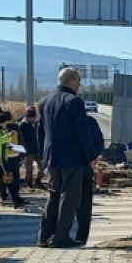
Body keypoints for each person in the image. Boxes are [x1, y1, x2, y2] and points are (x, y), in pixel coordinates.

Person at [37, 67, 99, 249]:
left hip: (52, 157)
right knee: (70, 197)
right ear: (71, 80)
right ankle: (61, 236)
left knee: (54, 194)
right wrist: (91, 155)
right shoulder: (74, 102)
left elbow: (40, 132)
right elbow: (82, 132)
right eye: (79, 81)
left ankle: (44, 235)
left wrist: (42, 156)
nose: (80, 85)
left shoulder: (44, 101)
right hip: (72, 157)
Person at [74, 115, 105, 245]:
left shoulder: (86, 122)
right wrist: (92, 156)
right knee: (83, 204)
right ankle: (80, 237)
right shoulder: (89, 121)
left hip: (72, 166)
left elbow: (99, 142)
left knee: (80, 203)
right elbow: (99, 143)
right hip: (83, 165)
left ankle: (75, 235)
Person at [0, 111, 25, 208]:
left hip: (4, 157)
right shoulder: (12, 128)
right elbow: (20, 140)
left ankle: (6, 196)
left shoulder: (0, 128)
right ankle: (14, 198)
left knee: (5, 178)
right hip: (10, 156)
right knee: (11, 178)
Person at [18, 108, 44, 189]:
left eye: (34, 117)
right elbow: (21, 138)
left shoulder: (37, 124)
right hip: (28, 150)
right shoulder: (23, 125)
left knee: (42, 167)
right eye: (31, 118)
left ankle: (38, 181)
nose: (33, 119)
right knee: (28, 169)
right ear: (27, 117)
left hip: (38, 149)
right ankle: (29, 183)